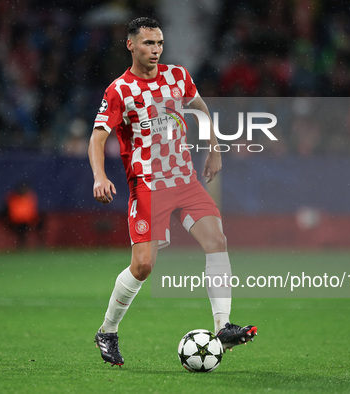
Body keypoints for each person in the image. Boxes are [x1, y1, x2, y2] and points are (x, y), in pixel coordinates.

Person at [89, 17, 257, 366]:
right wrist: (99, 176)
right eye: (148, 43)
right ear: (131, 45)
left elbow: (200, 109)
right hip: (148, 186)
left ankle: (223, 327)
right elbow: (98, 138)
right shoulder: (119, 90)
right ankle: (107, 331)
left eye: (160, 43)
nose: (155, 49)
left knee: (217, 241)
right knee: (143, 266)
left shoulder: (178, 76)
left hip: (184, 181)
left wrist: (214, 148)